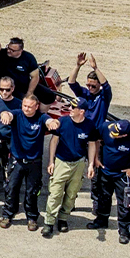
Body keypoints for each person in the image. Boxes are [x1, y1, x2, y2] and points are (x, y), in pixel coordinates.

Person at [43, 95, 97, 238]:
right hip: (61, 161)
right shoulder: (63, 122)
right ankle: (49, 222)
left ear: (82, 111)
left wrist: (91, 165)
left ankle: (63, 219)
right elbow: (54, 141)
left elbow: (92, 145)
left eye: (74, 107)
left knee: (72, 194)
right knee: (55, 193)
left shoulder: (90, 126)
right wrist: (51, 161)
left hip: (78, 163)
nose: (70, 109)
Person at [90, 117, 130, 244]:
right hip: (105, 171)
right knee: (103, 197)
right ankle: (101, 220)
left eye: (116, 135)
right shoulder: (106, 127)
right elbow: (95, 140)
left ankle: (124, 230)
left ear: (125, 135)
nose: (112, 135)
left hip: (122, 175)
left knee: (124, 203)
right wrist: (96, 158)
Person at [0, 94, 51, 230]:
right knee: (11, 188)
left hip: (34, 162)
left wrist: (52, 122)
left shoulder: (40, 117)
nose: (26, 109)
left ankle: (32, 217)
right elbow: (7, 113)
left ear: (36, 107)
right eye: (24, 106)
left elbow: (48, 120)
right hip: (17, 160)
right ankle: (8, 214)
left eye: (29, 107)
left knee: (32, 191)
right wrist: (5, 115)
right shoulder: (17, 114)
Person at [68, 53, 112, 127]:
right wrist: (77, 66)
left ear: (99, 84)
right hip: (82, 129)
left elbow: (106, 86)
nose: (90, 88)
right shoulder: (84, 93)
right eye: (88, 85)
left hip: (96, 131)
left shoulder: (104, 97)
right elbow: (71, 83)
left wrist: (95, 68)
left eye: (93, 86)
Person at [0, 37, 41, 102]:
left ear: (20, 51)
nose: (8, 51)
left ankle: (40, 111)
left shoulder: (28, 58)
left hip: (24, 87)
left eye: (12, 50)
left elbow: (35, 76)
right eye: (8, 48)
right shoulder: (2, 54)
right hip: (7, 87)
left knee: (48, 95)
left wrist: (29, 92)